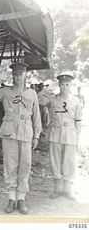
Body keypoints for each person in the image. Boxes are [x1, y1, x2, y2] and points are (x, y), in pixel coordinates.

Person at [0, 62, 41, 214]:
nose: (18, 77)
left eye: (20, 74)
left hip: (26, 132)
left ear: (25, 75)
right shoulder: (5, 91)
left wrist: (36, 135)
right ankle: (11, 198)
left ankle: (21, 199)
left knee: (25, 165)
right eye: (15, 74)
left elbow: (36, 116)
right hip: (9, 132)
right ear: (13, 75)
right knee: (10, 165)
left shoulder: (32, 93)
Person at [38, 72, 82, 200]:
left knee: (69, 161)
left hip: (70, 133)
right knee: (55, 160)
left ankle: (67, 190)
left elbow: (78, 120)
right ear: (59, 85)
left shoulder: (76, 101)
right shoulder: (52, 99)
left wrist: (77, 137)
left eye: (67, 84)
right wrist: (49, 87)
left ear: (71, 85)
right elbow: (40, 99)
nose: (64, 87)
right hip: (56, 132)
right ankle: (57, 189)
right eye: (62, 85)